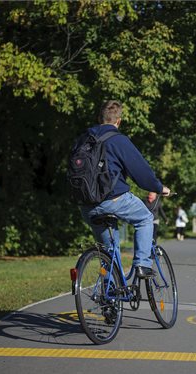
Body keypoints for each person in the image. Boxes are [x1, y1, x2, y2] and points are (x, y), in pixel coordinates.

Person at [80, 100, 170, 278]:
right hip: (113, 199)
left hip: (86, 203)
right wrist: (159, 187)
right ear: (118, 121)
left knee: (109, 254)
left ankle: (110, 299)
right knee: (145, 219)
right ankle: (142, 265)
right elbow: (141, 172)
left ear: (99, 118)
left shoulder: (83, 139)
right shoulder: (118, 140)